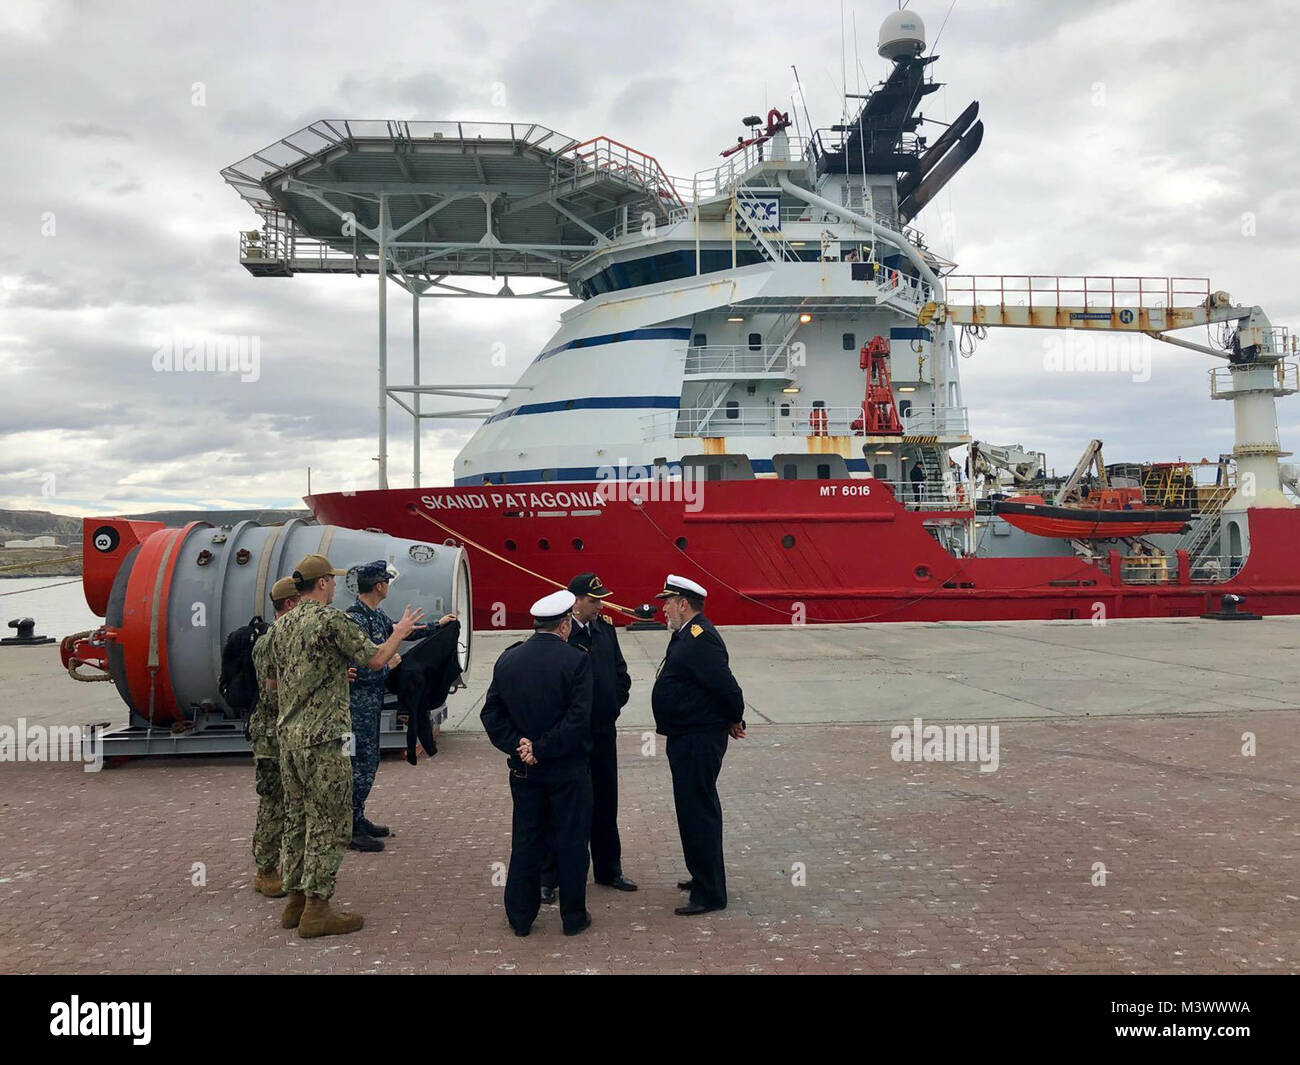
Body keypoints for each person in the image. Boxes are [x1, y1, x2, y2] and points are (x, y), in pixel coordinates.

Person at [274, 553, 423, 938]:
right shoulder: (330, 620)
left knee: (297, 820)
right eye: (332, 581)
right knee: (330, 821)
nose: (336, 586)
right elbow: (376, 659)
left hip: (288, 739)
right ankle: (318, 909)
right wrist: (400, 631)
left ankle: (295, 901)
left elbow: (280, 679)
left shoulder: (283, 625)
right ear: (322, 583)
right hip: (324, 739)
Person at [480, 590, 594, 937]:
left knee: (527, 840)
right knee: (572, 841)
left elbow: (491, 713)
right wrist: (541, 747)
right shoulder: (576, 661)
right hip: (567, 770)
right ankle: (573, 918)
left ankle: (520, 917)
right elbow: (578, 720)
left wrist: (520, 746)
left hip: (524, 771)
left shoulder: (509, 659)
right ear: (563, 625)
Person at [650, 575, 745, 916]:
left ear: (683, 604)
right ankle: (701, 876)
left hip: (698, 739)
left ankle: (710, 894)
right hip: (687, 736)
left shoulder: (700, 637)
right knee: (690, 810)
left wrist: (735, 717)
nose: (663, 608)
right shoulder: (686, 634)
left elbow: (726, 686)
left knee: (698, 811)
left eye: (668, 602)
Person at [540, 573, 634, 903]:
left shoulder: (606, 631)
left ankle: (609, 870)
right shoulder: (558, 634)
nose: (600, 606)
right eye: (594, 601)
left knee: (606, 801)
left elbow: (621, 675)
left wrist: (611, 706)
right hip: (571, 737)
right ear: (575, 601)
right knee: (564, 806)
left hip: (603, 732)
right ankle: (549, 877)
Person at [343, 560, 401, 853]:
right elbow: (362, 669)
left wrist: (437, 627)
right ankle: (349, 826)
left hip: (369, 706)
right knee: (356, 764)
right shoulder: (354, 620)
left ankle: (357, 816)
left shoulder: (376, 617)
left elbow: (398, 632)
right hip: (355, 708)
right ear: (379, 585)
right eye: (387, 581)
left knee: (367, 761)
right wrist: (388, 665)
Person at [249, 576, 300, 898]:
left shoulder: (289, 637)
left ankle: (289, 867)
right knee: (274, 804)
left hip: (290, 732)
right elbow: (272, 694)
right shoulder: (271, 642)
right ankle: (266, 869)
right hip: (272, 737)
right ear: (291, 604)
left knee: (293, 804)